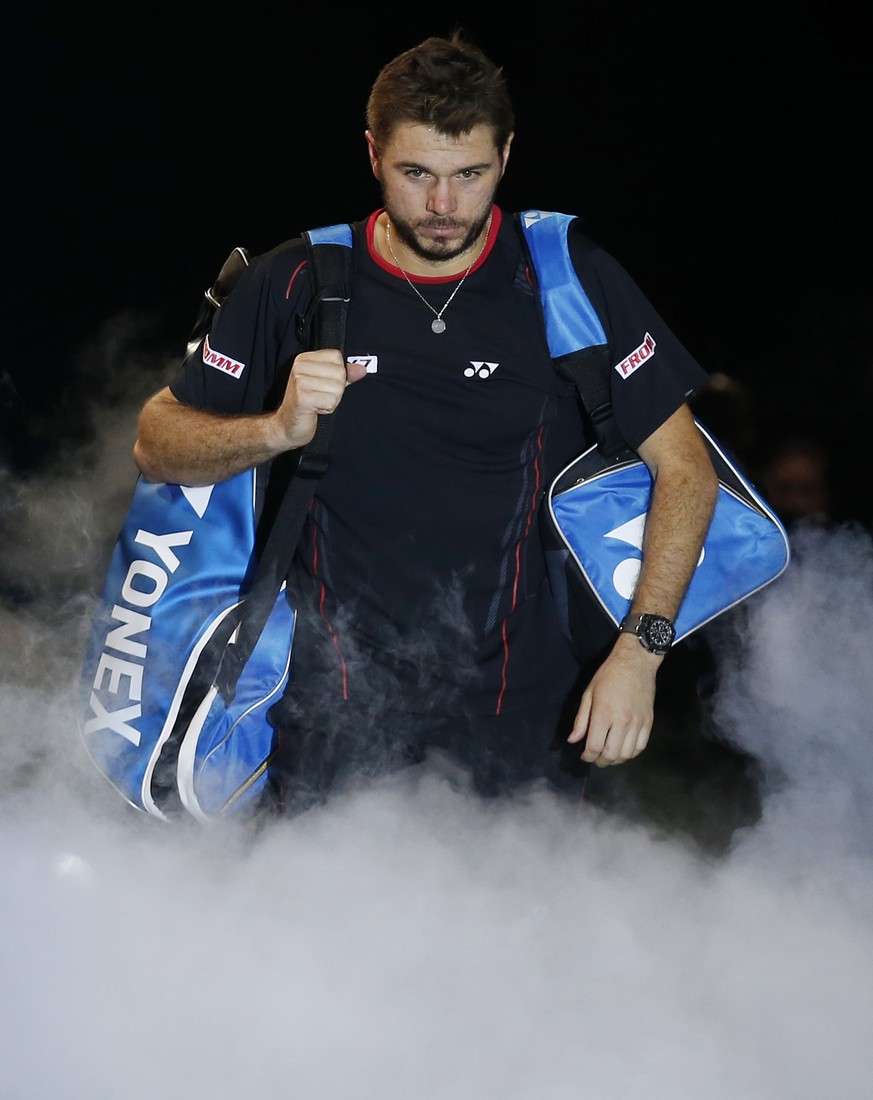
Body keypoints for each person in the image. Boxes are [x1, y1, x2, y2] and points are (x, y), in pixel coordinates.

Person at [133, 32, 719, 815]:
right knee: (329, 934)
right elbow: (156, 445)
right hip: (333, 716)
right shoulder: (298, 281)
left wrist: (638, 655)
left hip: (526, 719)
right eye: (416, 174)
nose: (443, 206)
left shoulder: (563, 272)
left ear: (505, 154)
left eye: (468, 174)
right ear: (372, 153)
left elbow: (685, 468)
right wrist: (275, 427)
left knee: (523, 935)